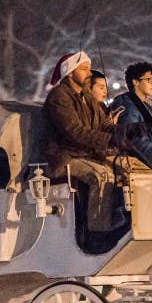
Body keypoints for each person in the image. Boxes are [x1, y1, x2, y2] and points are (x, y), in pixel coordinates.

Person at [43, 52, 125, 232]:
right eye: (84, 69)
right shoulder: (59, 97)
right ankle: (97, 231)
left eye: (89, 68)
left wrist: (124, 131)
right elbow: (74, 132)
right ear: (70, 72)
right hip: (64, 157)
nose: (89, 73)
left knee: (124, 166)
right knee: (101, 176)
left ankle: (120, 216)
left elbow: (102, 122)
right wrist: (108, 139)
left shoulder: (86, 95)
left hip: (85, 154)